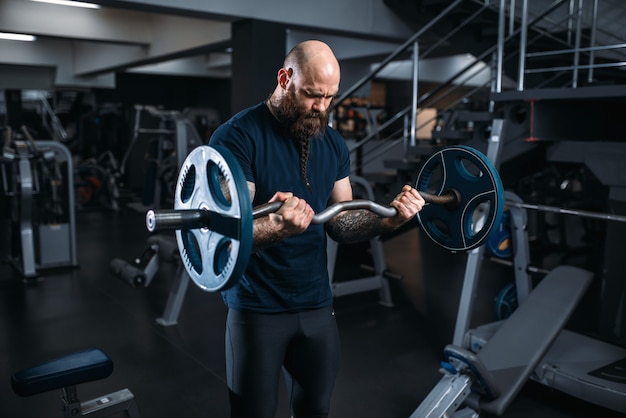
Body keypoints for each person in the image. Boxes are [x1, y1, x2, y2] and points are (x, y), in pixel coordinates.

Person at [209, 39, 425, 418]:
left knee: (315, 410)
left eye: (330, 97)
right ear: (284, 78)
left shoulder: (333, 142)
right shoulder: (237, 136)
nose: (322, 108)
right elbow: (228, 233)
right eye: (312, 95)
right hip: (256, 309)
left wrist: (392, 219)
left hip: (316, 305)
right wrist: (278, 226)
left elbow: (342, 224)